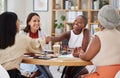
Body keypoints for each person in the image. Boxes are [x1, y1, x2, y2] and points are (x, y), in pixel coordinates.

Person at [73, 5, 120, 78]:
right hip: (117, 74)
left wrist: (80, 54)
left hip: (103, 75)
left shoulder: (98, 36)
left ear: (100, 20)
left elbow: (87, 57)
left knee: (76, 76)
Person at [0, 12, 49, 78]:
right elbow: (39, 45)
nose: (37, 23)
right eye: (17, 21)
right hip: (12, 73)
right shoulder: (21, 37)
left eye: (38, 21)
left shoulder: (42, 33)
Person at [20, 13, 53, 78]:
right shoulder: (22, 34)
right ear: (29, 22)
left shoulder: (43, 34)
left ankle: (34, 74)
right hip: (26, 63)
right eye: (34, 21)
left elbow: (48, 50)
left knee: (45, 66)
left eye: (38, 21)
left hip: (39, 63)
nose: (37, 23)